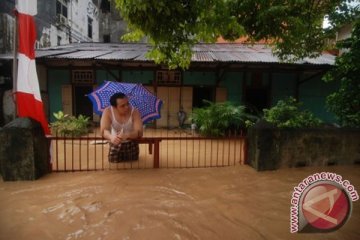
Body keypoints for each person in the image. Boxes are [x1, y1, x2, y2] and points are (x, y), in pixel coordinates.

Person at [100, 92, 143, 162]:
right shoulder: (108, 111)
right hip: (115, 142)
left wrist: (127, 135)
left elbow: (139, 132)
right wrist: (111, 137)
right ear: (114, 107)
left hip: (131, 142)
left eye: (127, 103)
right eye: (122, 106)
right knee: (113, 162)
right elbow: (104, 130)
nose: (127, 107)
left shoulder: (134, 111)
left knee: (132, 164)